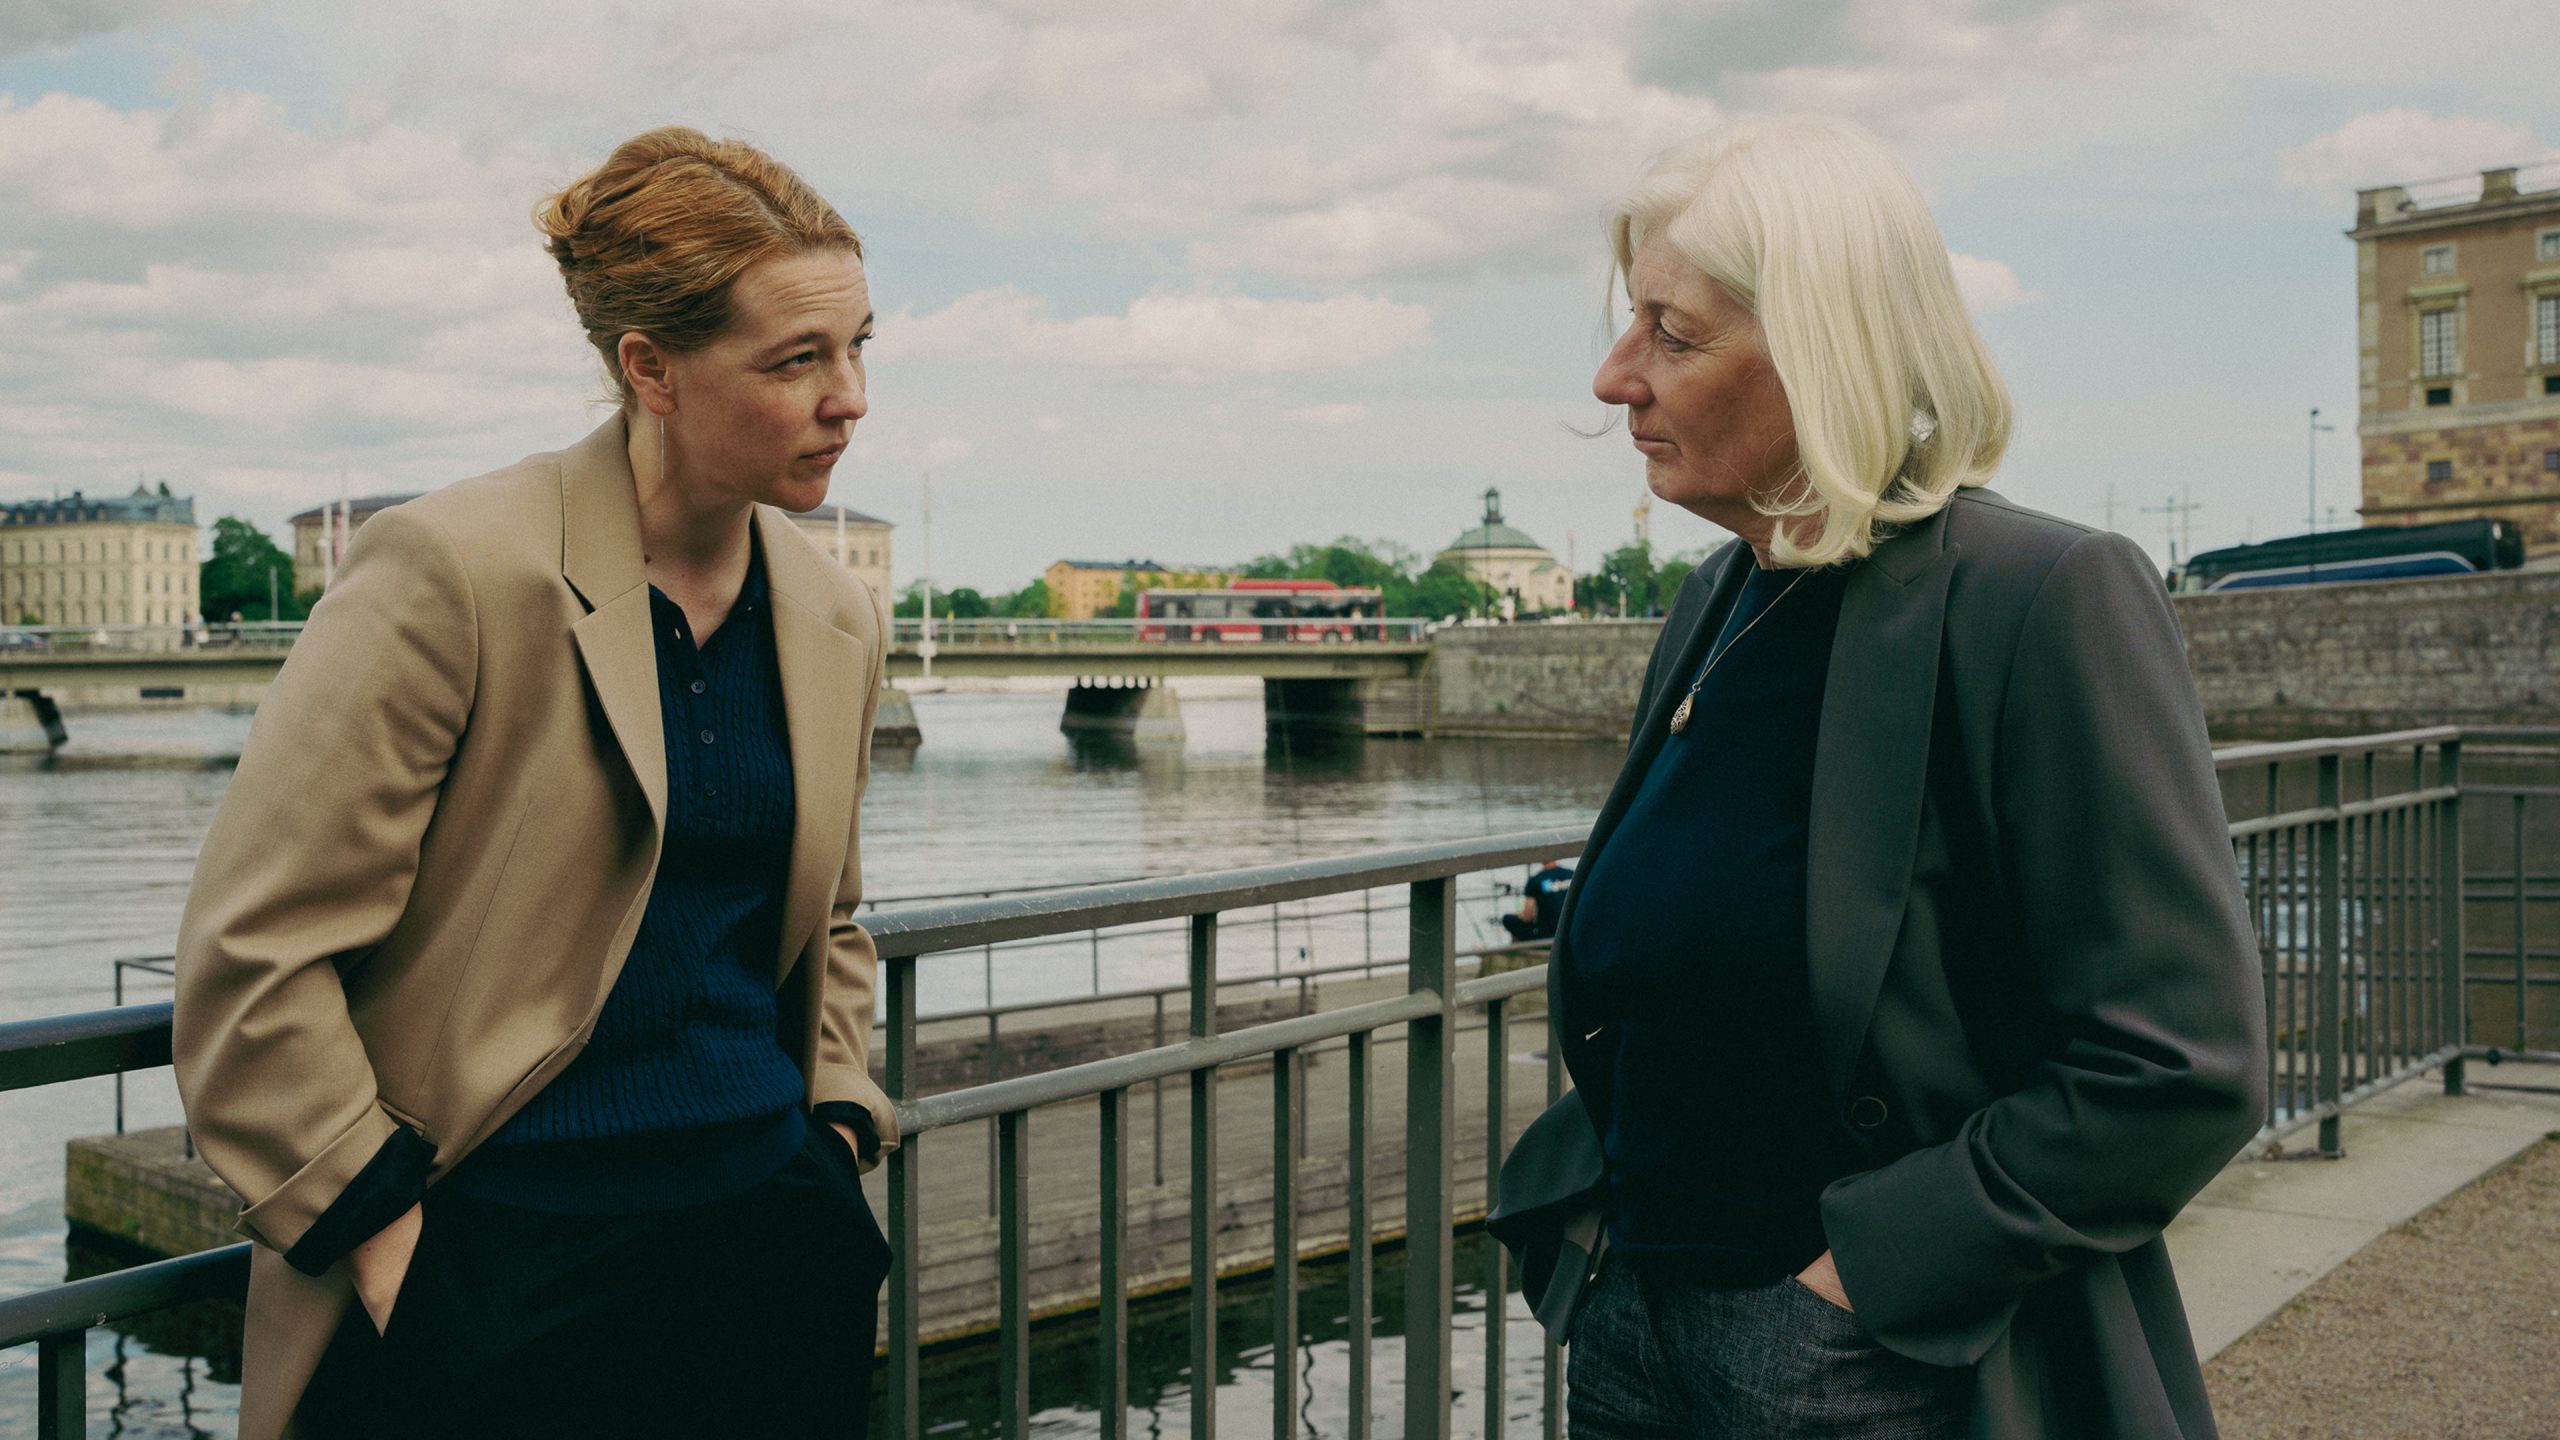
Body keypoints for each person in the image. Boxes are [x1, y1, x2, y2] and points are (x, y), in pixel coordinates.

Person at [1488, 116, 2267, 1439]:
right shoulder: (1717, 600)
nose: (1617, 378)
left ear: (1823, 349)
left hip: (1867, 1362)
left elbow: (2177, 1063)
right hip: (1635, 1324)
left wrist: (1852, 1288)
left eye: (1672, 334)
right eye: (1632, 325)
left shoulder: (2037, 598)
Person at [172, 127, 896, 1440]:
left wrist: (834, 1140)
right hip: (499, 1269)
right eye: (796, 359)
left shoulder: (832, 614)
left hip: (768, 1260)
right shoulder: (452, 570)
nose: (848, 398)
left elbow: (830, 920)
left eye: (858, 347)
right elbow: (254, 953)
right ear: (649, 368)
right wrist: (397, 1255)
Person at [1501, 859, 1575, 944]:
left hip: (1546, 934)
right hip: (1571, 929)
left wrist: (1519, 915)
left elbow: (1528, 916)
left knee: (1507, 919)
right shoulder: (1572, 874)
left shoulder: (1535, 880)